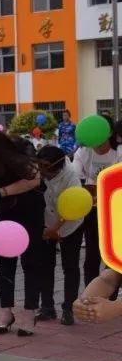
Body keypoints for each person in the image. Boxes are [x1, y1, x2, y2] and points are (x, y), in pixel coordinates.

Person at [0, 128, 45, 337]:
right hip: (5, 212)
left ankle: (29, 311)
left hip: (30, 211)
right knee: (5, 262)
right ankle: (6, 311)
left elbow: (34, 179)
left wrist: (1, 192)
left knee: (31, 261)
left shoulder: (21, 150)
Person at [35, 146, 83, 326]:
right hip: (47, 224)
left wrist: (56, 228)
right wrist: (46, 228)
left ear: (58, 164)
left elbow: (73, 206)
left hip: (71, 223)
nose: (42, 170)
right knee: (45, 266)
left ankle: (68, 308)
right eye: (39, 165)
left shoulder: (71, 175)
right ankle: (47, 307)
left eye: (46, 166)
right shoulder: (38, 175)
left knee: (70, 266)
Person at [72, 122, 122, 285]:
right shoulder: (83, 152)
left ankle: (112, 300)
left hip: (116, 210)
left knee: (113, 256)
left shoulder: (119, 152)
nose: (97, 147)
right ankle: (90, 295)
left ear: (108, 134)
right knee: (92, 255)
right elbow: (75, 174)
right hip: (93, 210)